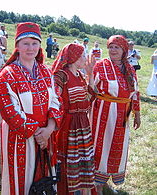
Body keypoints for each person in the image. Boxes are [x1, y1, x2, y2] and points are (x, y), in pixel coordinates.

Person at [0, 22, 62, 195]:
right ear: (17, 45)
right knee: (20, 180)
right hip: (19, 138)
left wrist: (49, 128)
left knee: (44, 181)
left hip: (46, 134)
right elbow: (10, 111)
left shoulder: (46, 71)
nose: (30, 48)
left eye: (34, 43)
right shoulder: (7, 74)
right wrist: (38, 133)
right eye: (25, 43)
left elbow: (56, 100)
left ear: (40, 46)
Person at [90, 35, 141, 194]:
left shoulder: (130, 68)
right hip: (103, 114)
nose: (113, 50)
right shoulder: (100, 65)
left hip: (123, 115)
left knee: (117, 148)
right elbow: (90, 89)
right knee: (101, 146)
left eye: (116, 47)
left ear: (124, 50)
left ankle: (105, 180)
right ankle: (96, 184)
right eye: (110, 47)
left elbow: (135, 93)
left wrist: (137, 113)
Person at [52, 43, 96, 194]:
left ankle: (82, 189)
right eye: (83, 55)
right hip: (68, 125)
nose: (85, 59)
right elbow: (54, 101)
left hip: (82, 124)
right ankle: (67, 190)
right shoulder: (61, 76)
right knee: (68, 159)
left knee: (83, 158)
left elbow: (89, 98)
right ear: (74, 57)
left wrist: (90, 75)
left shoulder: (81, 75)